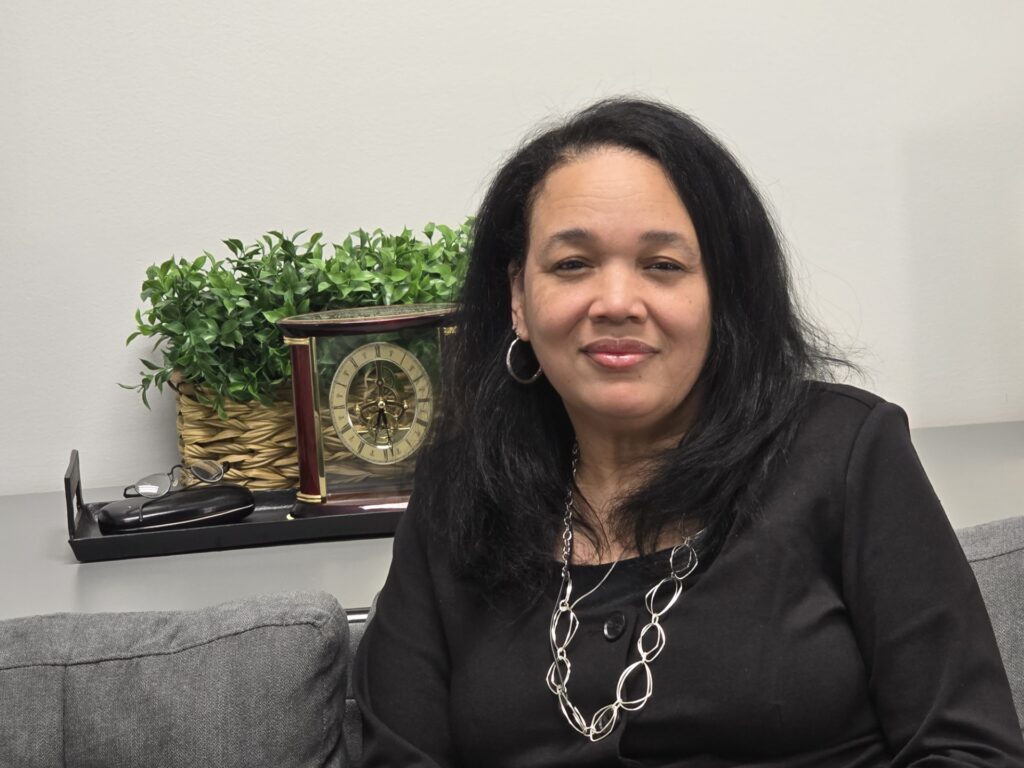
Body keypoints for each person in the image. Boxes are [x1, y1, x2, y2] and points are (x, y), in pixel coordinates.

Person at [353, 98, 1024, 767]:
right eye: (572, 265)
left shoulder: (845, 452)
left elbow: (967, 750)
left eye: (664, 266)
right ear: (519, 300)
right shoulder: (455, 492)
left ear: (723, 295)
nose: (616, 302)